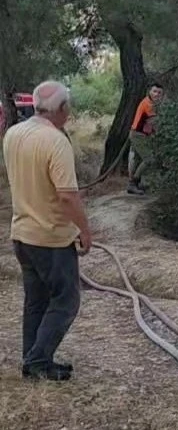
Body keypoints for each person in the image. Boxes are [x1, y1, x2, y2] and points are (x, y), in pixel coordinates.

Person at [3, 80, 92, 381]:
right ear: (63, 109)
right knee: (67, 300)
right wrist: (85, 229)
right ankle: (39, 360)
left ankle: (32, 359)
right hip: (50, 238)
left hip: (22, 234)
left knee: (36, 300)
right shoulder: (55, 141)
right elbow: (67, 195)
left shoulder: (13, 133)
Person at [127, 83, 164, 195]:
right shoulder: (148, 104)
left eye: (159, 92)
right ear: (149, 91)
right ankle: (133, 183)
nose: (157, 94)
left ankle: (133, 185)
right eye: (154, 91)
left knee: (138, 160)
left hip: (141, 134)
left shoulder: (152, 103)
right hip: (138, 135)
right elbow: (155, 123)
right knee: (149, 159)